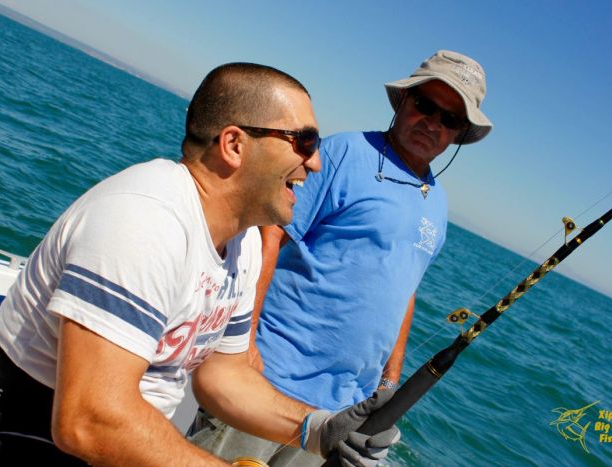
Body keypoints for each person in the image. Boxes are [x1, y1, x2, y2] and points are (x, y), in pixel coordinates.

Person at [0, 63, 400, 466]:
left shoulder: (241, 242)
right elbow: (87, 422)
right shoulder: (144, 219)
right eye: (304, 141)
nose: (317, 162)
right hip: (21, 440)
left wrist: (316, 428)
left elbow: (222, 375)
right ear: (234, 145)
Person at [192, 50, 494, 464]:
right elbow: (271, 234)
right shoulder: (344, 153)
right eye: (426, 105)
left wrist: (389, 384)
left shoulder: (438, 205)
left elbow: (405, 287)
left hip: (341, 412)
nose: (433, 123)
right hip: (269, 381)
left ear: (459, 133)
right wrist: (243, 341)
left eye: (450, 119)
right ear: (404, 101)